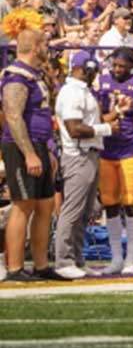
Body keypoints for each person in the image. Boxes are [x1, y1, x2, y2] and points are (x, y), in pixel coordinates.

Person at [2, 28, 68, 282]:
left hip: (40, 143)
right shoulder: (17, 76)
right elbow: (13, 115)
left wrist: (46, 150)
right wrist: (29, 153)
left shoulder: (34, 74)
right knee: (23, 204)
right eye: (45, 44)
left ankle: (41, 265)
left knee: (45, 204)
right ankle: (15, 267)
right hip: (21, 146)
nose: (48, 48)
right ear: (36, 45)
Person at [53, 51, 116, 279]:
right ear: (84, 69)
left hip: (89, 153)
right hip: (78, 155)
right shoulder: (71, 92)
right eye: (93, 70)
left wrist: (114, 115)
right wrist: (106, 129)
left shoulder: (82, 91)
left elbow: (89, 123)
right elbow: (74, 128)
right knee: (72, 210)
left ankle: (77, 259)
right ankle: (64, 260)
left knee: (84, 212)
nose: (96, 74)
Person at [95, 48, 133, 276]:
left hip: (129, 149)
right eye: (115, 65)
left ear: (131, 66)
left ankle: (130, 258)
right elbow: (97, 116)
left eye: (122, 66)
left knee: (130, 202)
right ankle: (116, 257)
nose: (117, 69)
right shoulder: (102, 81)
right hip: (106, 150)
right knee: (110, 204)